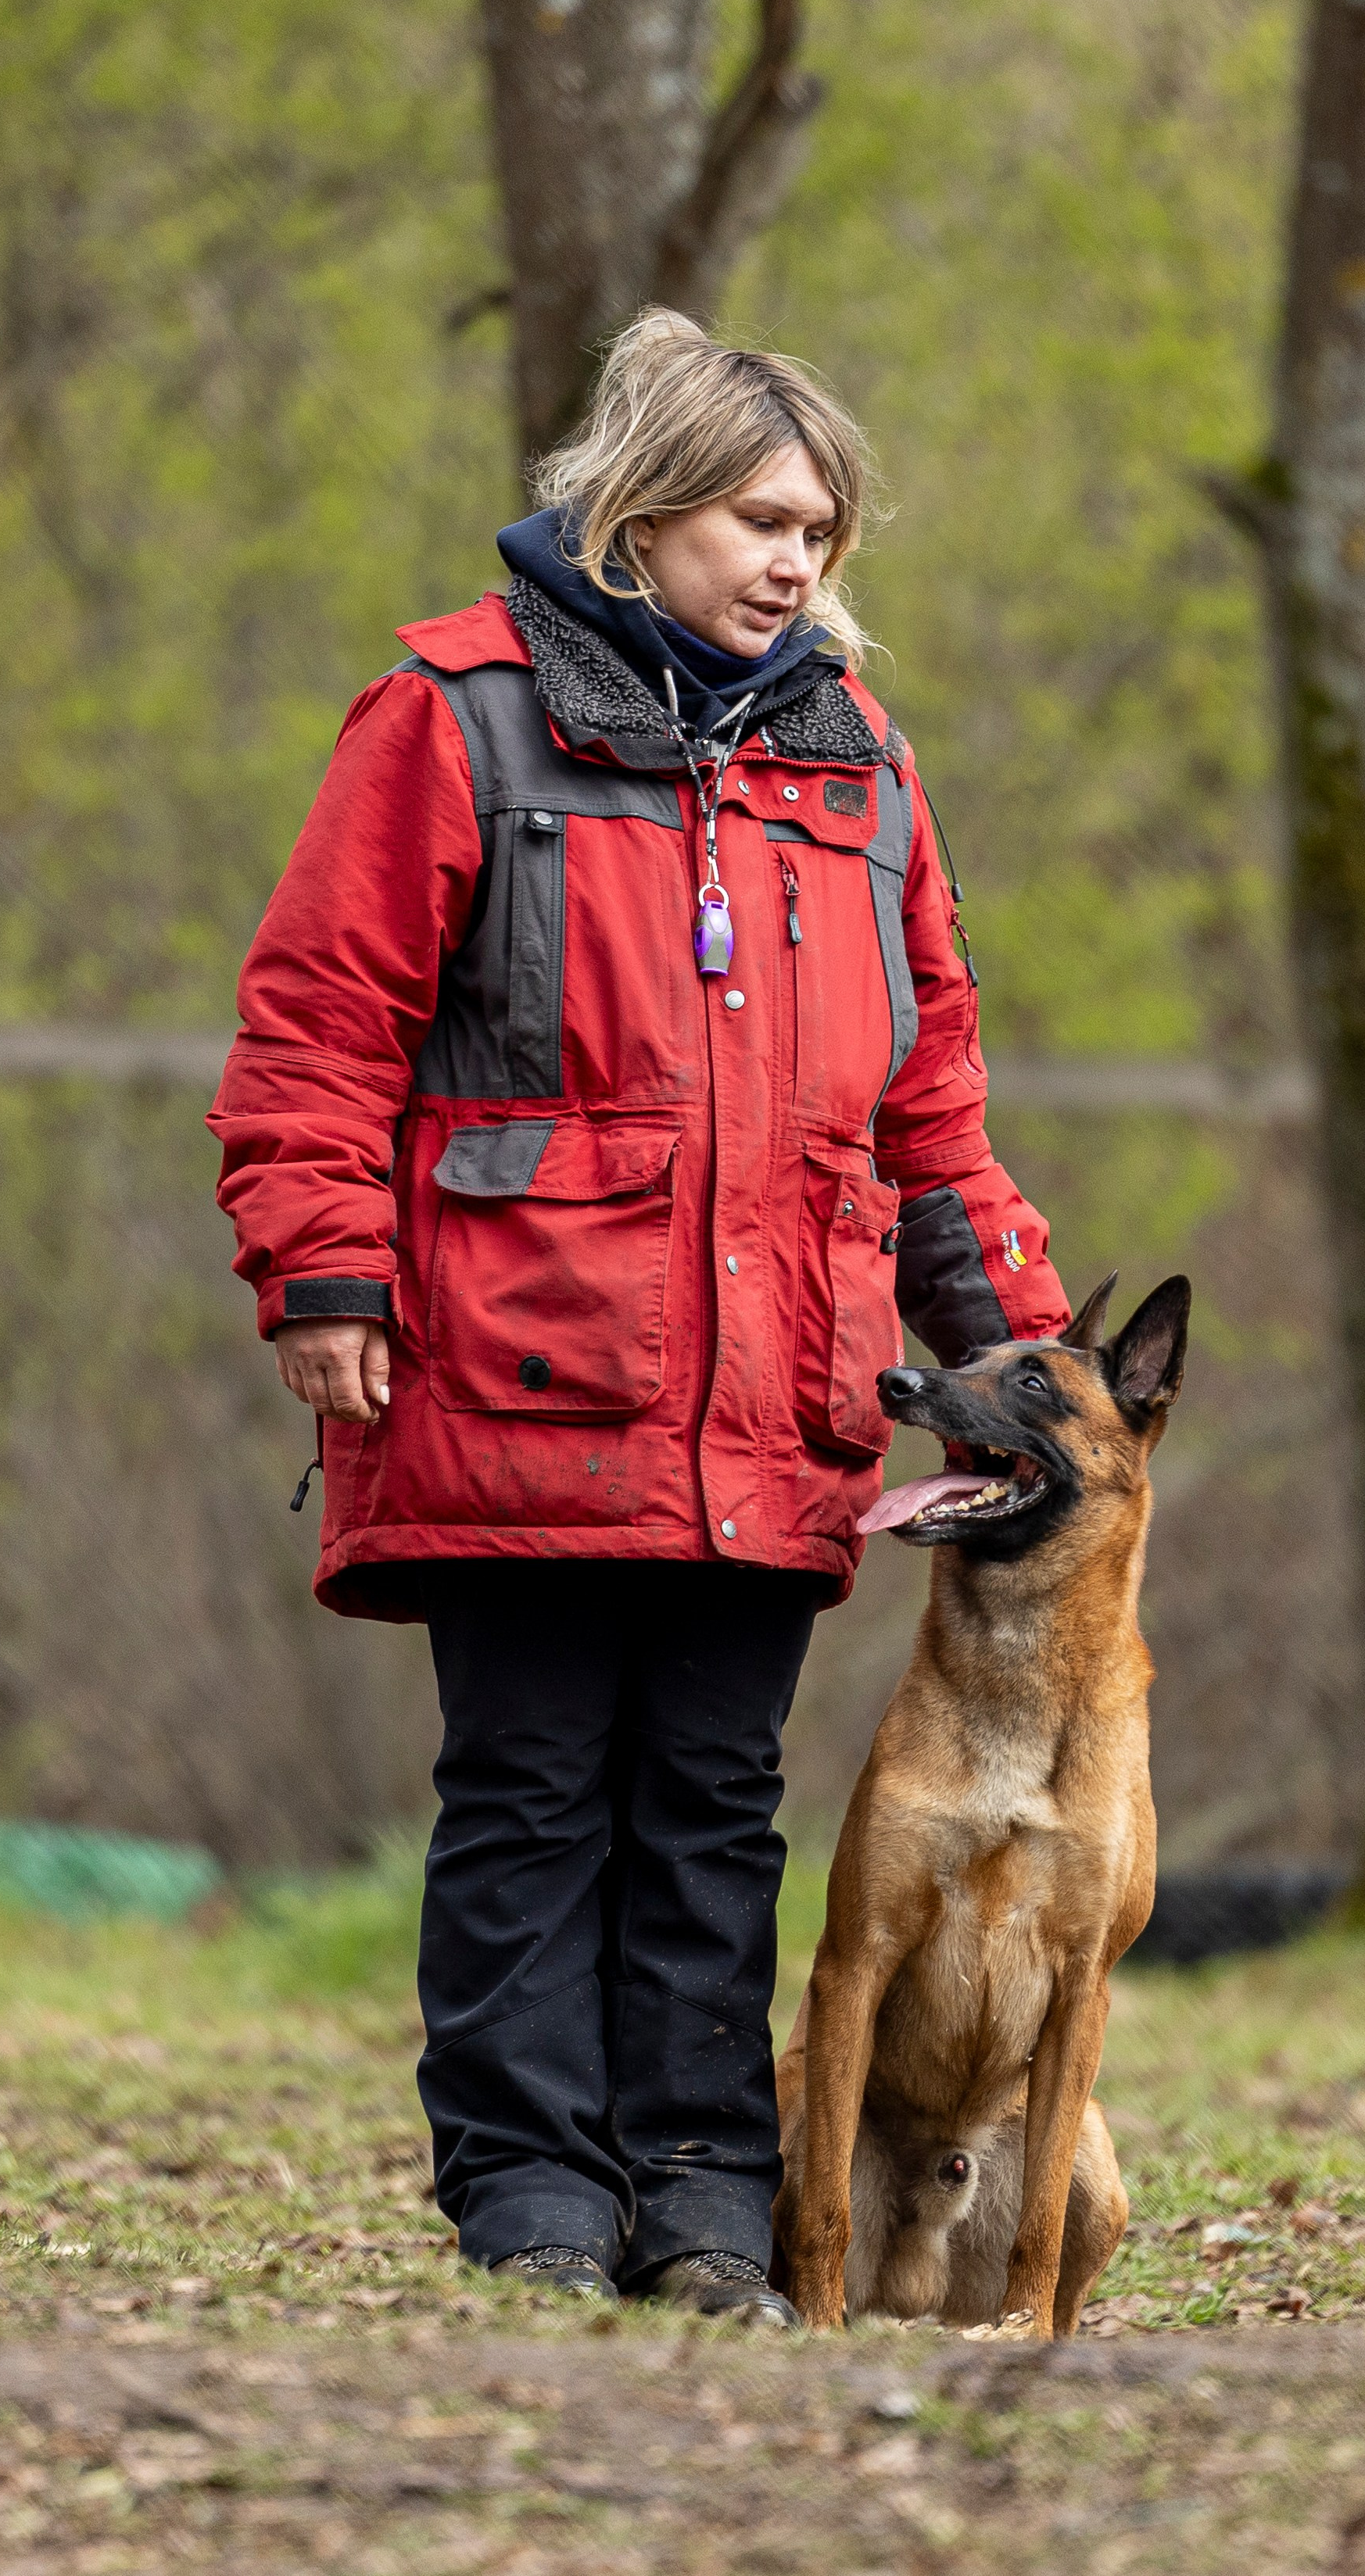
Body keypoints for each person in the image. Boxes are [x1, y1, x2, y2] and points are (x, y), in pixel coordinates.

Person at [210, 310, 1069, 2327]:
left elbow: (926, 1102)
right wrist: (321, 1271)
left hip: (779, 1393)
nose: (799, 565)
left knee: (713, 1804)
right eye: (765, 521)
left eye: (826, 535)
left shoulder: (859, 770)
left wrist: (1023, 1356)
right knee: (528, 1791)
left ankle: (698, 2201)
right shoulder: (455, 714)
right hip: (511, 1368)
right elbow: (318, 1022)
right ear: (645, 511)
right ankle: (529, 2194)